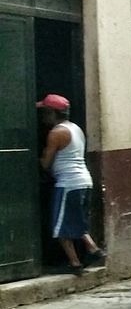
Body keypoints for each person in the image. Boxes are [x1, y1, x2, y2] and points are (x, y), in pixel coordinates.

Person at [36, 94, 105, 275]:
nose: (43, 116)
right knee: (75, 219)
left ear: (52, 113)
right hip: (83, 181)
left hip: (68, 183)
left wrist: (40, 156)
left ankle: (75, 263)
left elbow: (45, 163)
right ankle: (92, 248)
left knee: (59, 227)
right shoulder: (75, 128)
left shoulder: (56, 133)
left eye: (45, 112)